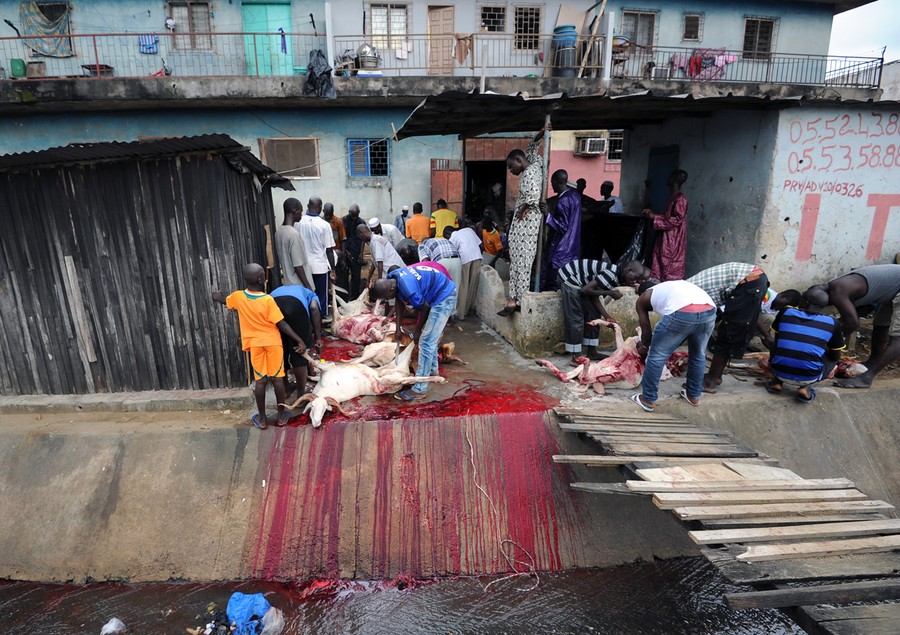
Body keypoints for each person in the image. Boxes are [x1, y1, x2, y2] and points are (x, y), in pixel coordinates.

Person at [212, 264, 306, 429]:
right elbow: (281, 323)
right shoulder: (267, 300)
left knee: (260, 381)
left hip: (255, 345)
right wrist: (299, 340)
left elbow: (224, 300)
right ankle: (281, 416)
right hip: (273, 343)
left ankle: (262, 419)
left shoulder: (239, 297)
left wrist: (216, 296)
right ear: (261, 279)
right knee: (277, 379)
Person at [371, 264, 458, 401]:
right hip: (437, 292)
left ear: (391, 289)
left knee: (425, 342)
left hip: (444, 296)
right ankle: (432, 372)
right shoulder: (393, 277)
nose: (386, 300)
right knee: (429, 339)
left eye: (386, 297)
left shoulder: (409, 290)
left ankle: (420, 389)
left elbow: (425, 308)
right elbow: (399, 300)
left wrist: (417, 331)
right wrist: (398, 328)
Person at [808, 264, 900, 389]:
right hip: (894, 290)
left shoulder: (837, 292)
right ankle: (872, 363)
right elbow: (854, 315)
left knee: (897, 338)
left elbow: (852, 323)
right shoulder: (837, 286)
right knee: (881, 325)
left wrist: (831, 346)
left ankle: (866, 378)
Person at [632, 279, 717, 412]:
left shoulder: (643, 298)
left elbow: (646, 332)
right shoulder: (669, 287)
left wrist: (645, 346)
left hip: (682, 311)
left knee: (657, 356)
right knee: (698, 354)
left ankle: (648, 399)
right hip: (709, 310)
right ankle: (693, 395)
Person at [686, 262, 769, 393]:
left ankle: (710, 381)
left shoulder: (685, 296)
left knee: (728, 333)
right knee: (729, 331)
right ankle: (716, 376)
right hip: (753, 279)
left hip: (748, 282)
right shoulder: (686, 287)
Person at [766, 288, 845, 404]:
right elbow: (835, 356)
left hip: (778, 370)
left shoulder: (786, 312)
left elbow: (778, 340)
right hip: (809, 376)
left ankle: (777, 381)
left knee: (777, 344)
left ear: (806, 302)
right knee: (833, 357)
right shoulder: (832, 322)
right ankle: (806, 387)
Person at [559, 259, 646, 364]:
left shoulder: (616, 278)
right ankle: (576, 357)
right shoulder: (611, 274)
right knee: (576, 318)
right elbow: (585, 290)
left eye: (638, 280)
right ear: (628, 270)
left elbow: (593, 294)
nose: (635, 281)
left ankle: (591, 352)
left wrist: (606, 316)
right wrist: (611, 293)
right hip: (570, 278)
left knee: (594, 313)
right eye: (634, 278)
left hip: (582, 283)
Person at [499, 127, 546, 316]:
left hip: (527, 225)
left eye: (511, 167)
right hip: (522, 225)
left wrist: (523, 209)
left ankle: (518, 299)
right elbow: (532, 148)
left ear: (519, 160)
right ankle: (514, 297)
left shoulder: (530, 173)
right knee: (517, 261)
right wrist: (541, 134)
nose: (511, 171)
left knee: (523, 263)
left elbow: (533, 196)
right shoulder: (533, 163)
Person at [270, 284, 323, 398]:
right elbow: (314, 308)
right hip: (295, 306)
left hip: (273, 304)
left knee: (281, 351)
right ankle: (301, 394)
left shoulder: (279, 290)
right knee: (299, 352)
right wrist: (318, 337)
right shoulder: (311, 294)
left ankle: (285, 388)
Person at [643, 169, 689, 282]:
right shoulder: (672, 198)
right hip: (664, 237)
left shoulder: (681, 199)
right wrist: (653, 215)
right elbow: (667, 217)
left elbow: (676, 220)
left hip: (673, 239)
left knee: (670, 266)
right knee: (659, 263)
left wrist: (655, 217)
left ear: (673, 179)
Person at [296, 197, 336, 318]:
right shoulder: (324, 225)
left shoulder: (298, 222)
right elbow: (329, 250)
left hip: (303, 266)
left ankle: (308, 318)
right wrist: (333, 269)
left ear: (308, 206)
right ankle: (321, 319)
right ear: (320, 208)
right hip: (320, 266)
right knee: (321, 295)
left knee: (306, 294)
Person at [543, 169, 582, 292]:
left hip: (561, 249)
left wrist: (548, 215)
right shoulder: (575, 196)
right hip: (572, 248)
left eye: (552, 183)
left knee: (553, 284)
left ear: (556, 182)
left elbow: (562, 226)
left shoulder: (563, 200)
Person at [274, 198, 312, 289]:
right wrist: (308, 287)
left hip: (288, 283)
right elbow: (298, 265)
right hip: (299, 286)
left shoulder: (279, 232)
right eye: (300, 211)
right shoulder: (293, 234)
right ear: (294, 211)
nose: (301, 215)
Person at [447, 223, 482, 320]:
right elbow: (480, 244)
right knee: (472, 285)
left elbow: (453, 252)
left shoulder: (452, 238)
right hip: (477, 257)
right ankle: (467, 309)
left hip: (465, 259)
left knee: (463, 286)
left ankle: (460, 314)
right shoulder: (469, 230)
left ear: (447, 234)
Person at [419, 235, 462, 301]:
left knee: (442, 289)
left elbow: (425, 263)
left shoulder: (422, 245)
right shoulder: (441, 239)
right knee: (456, 287)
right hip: (457, 260)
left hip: (441, 262)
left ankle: (444, 306)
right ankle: (455, 307)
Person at [340, 204, 366, 301]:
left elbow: (363, 239)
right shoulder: (342, 221)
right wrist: (346, 252)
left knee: (356, 277)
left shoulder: (361, 222)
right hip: (345, 253)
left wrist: (361, 253)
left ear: (358, 213)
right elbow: (342, 239)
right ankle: (345, 298)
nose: (354, 218)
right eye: (352, 215)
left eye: (356, 215)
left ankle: (355, 298)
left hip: (356, 253)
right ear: (349, 212)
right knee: (344, 278)